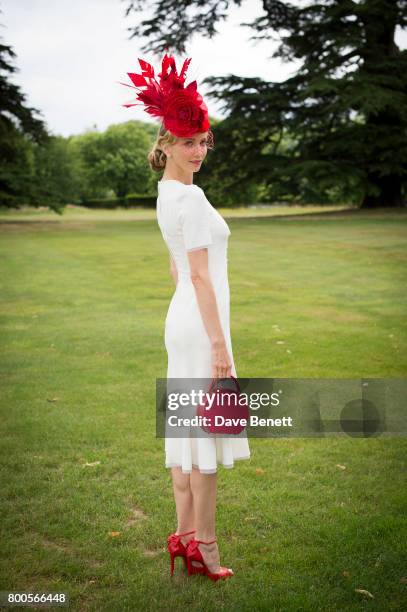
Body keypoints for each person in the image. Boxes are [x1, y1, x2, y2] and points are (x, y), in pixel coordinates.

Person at [121, 53, 250, 581]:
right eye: (188, 142)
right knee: (206, 439)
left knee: (187, 435)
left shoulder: (167, 193)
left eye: (203, 142)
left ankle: (184, 539)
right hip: (200, 328)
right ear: (165, 144)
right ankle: (207, 550)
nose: (198, 151)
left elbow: (177, 270)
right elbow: (196, 276)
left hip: (183, 322)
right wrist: (219, 344)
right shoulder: (190, 198)